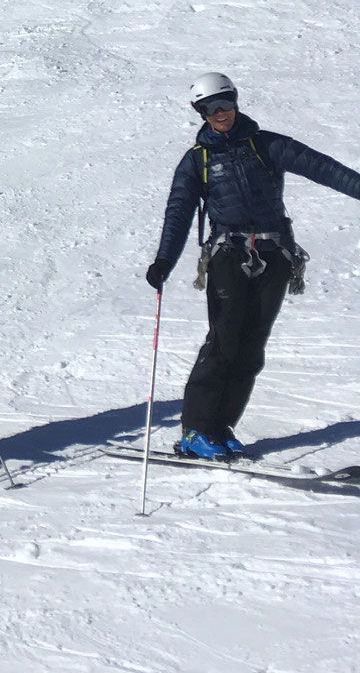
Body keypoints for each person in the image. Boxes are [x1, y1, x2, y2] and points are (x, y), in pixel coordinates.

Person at [146, 74, 360, 458]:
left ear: (235, 101)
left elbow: (323, 168)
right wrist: (164, 260)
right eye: (208, 109)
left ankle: (221, 426)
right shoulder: (198, 160)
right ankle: (196, 431)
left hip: (275, 254)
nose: (218, 114)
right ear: (200, 114)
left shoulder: (266, 145)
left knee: (251, 347)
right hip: (228, 256)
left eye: (223, 104)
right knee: (223, 343)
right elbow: (178, 212)